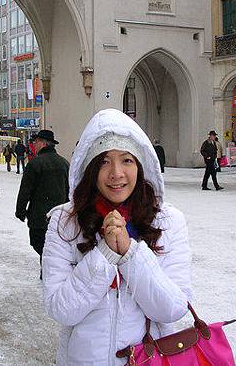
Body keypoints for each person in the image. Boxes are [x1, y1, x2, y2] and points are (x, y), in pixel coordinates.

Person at [42, 109, 192, 364]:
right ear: (90, 168)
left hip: (149, 357)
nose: (116, 173)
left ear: (140, 165)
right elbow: (60, 309)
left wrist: (130, 254)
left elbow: (173, 308)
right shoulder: (65, 222)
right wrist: (105, 254)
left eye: (126, 160)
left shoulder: (167, 221)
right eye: (104, 161)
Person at [15, 129, 69, 277]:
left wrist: (20, 211)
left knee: (39, 243)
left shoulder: (35, 164)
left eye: (36, 141)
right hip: (60, 216)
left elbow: (25, 190)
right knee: (54, 245)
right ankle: (48, 270)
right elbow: (70, 190)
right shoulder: (64, 163)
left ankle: (47, 270)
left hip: (39, 216)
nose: (33, 144)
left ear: (44, 143)